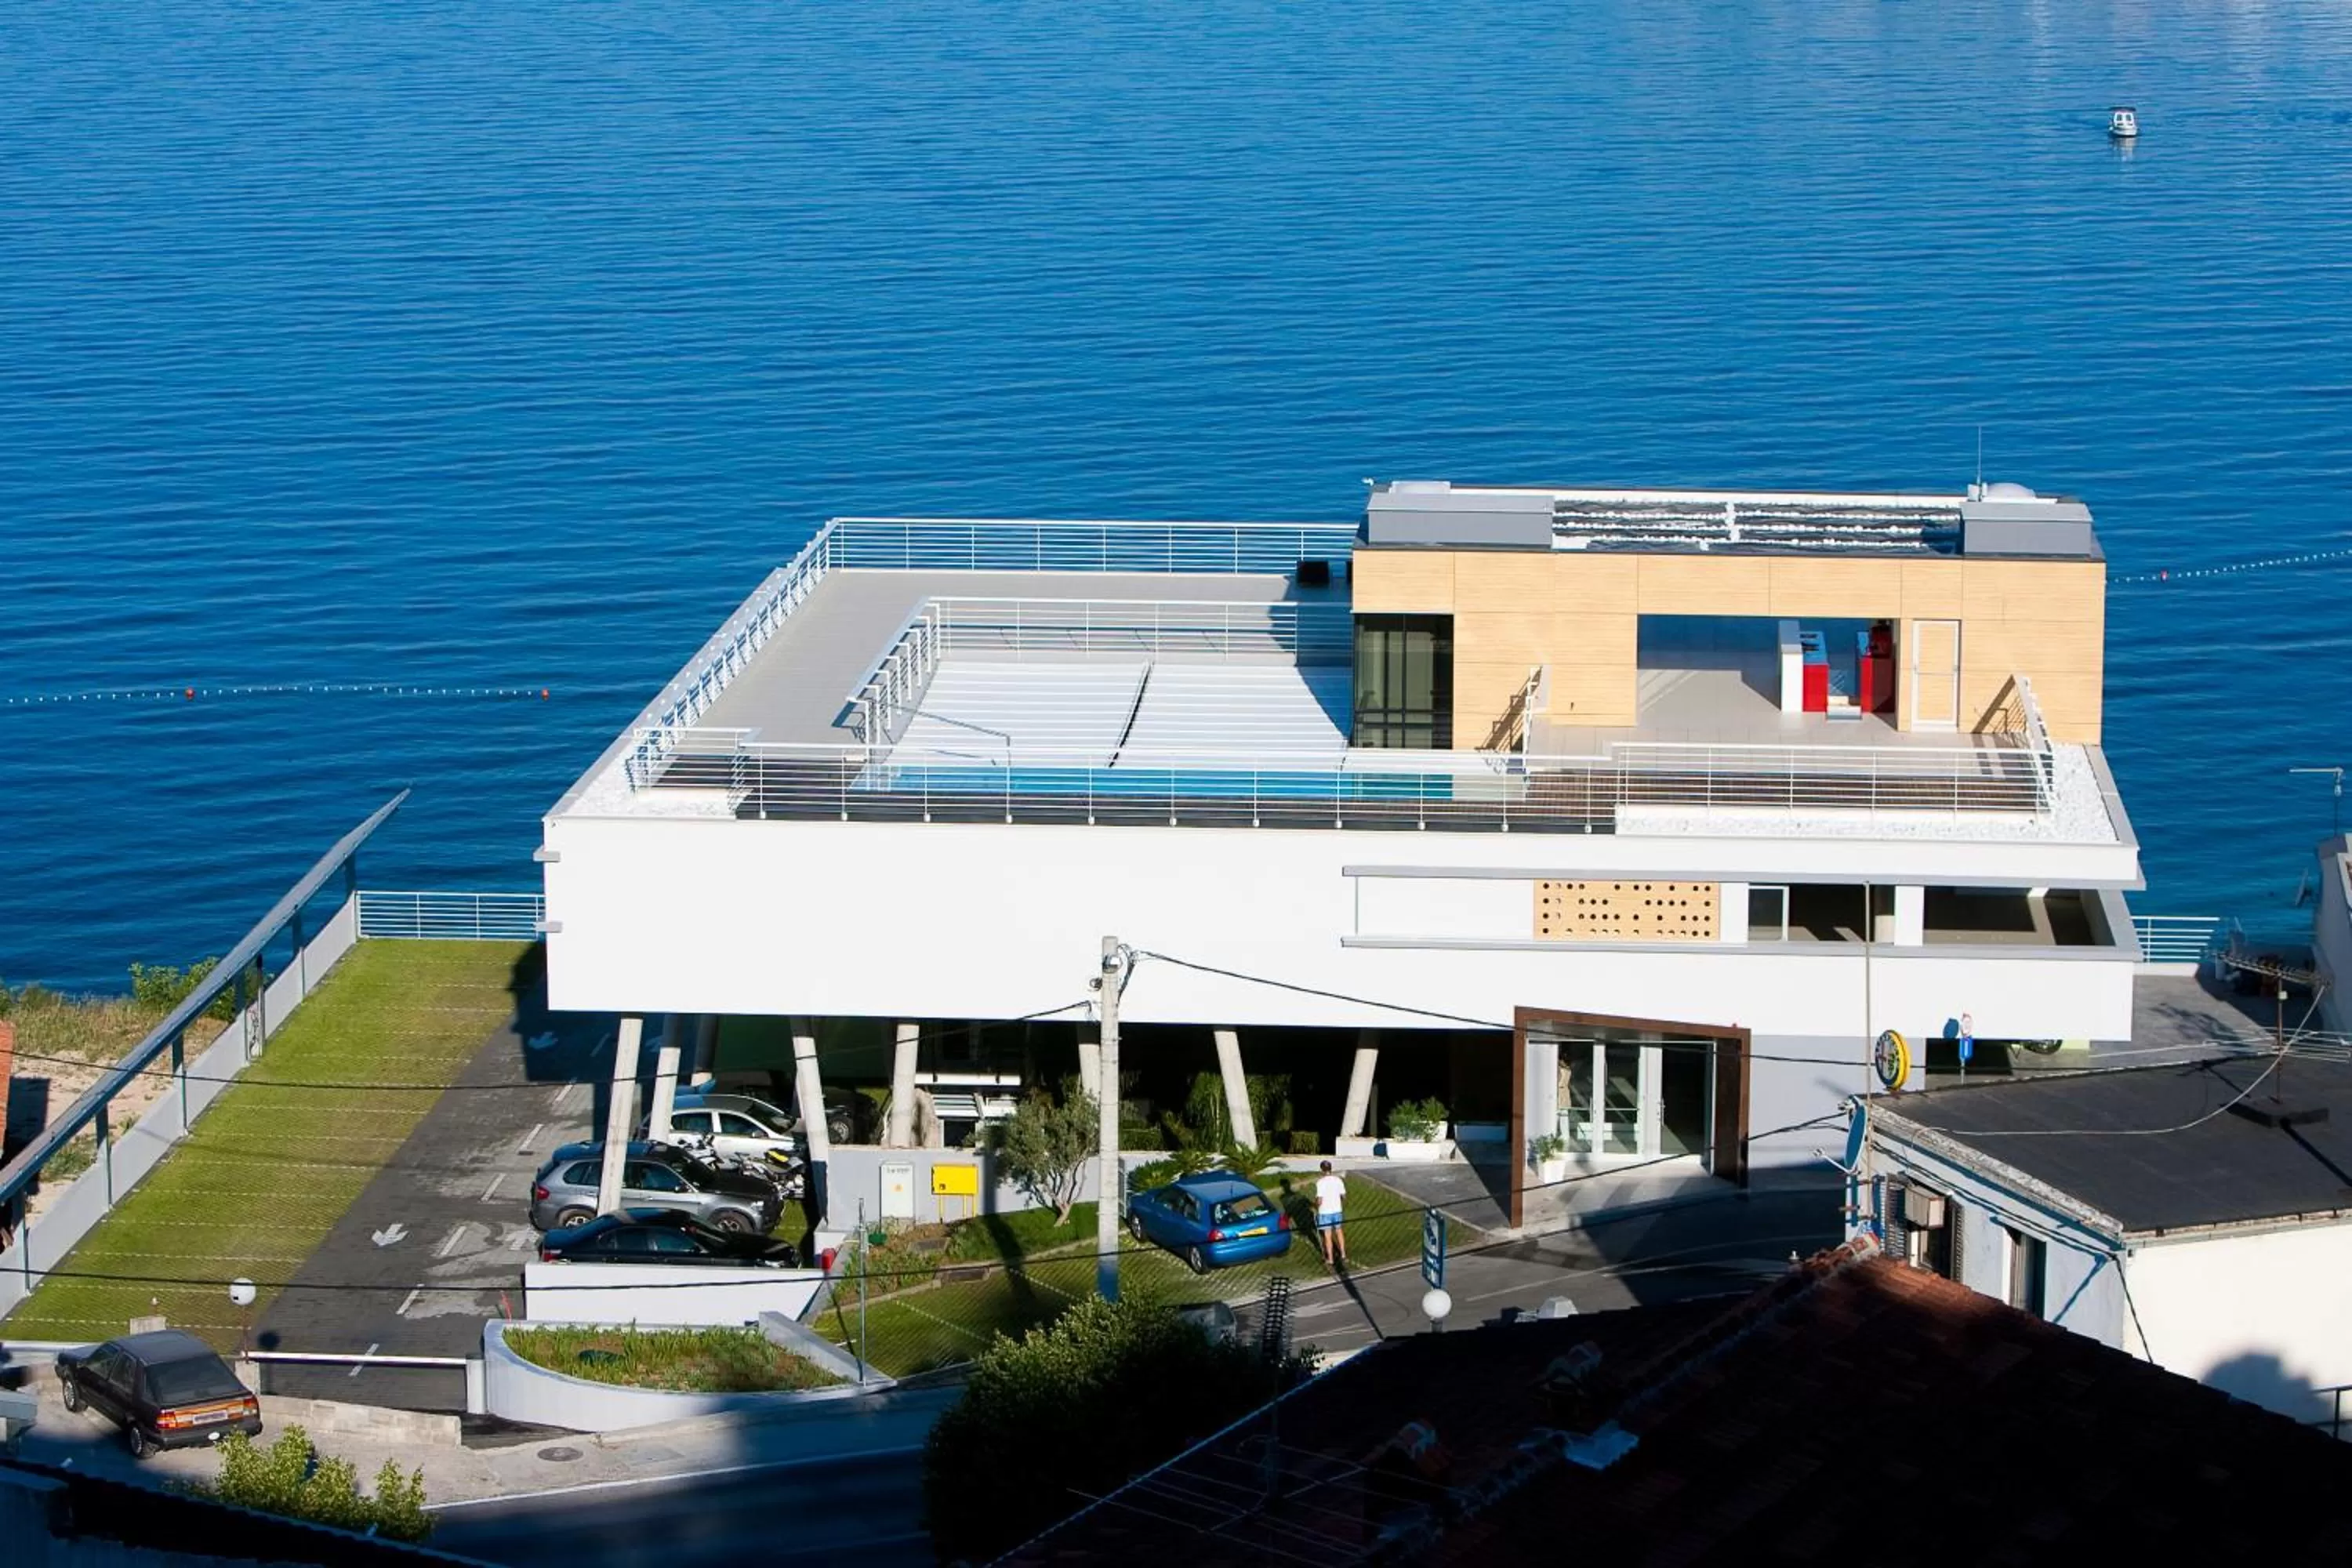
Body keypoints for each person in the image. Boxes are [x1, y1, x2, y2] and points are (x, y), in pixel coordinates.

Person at [1313, 1160, 1348, 1268]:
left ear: (1322, 1170)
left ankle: (1331, 1259)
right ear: (1330, 1169)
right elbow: (1344, 1196)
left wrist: (1315, 1206)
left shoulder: (1320, 1183)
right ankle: (1343, 1255)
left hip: (1325, 1212)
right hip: (1337, 1210)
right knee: (1339, 1231)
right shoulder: (1338, 1180)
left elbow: (1319, 1201)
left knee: (1327, 1235)